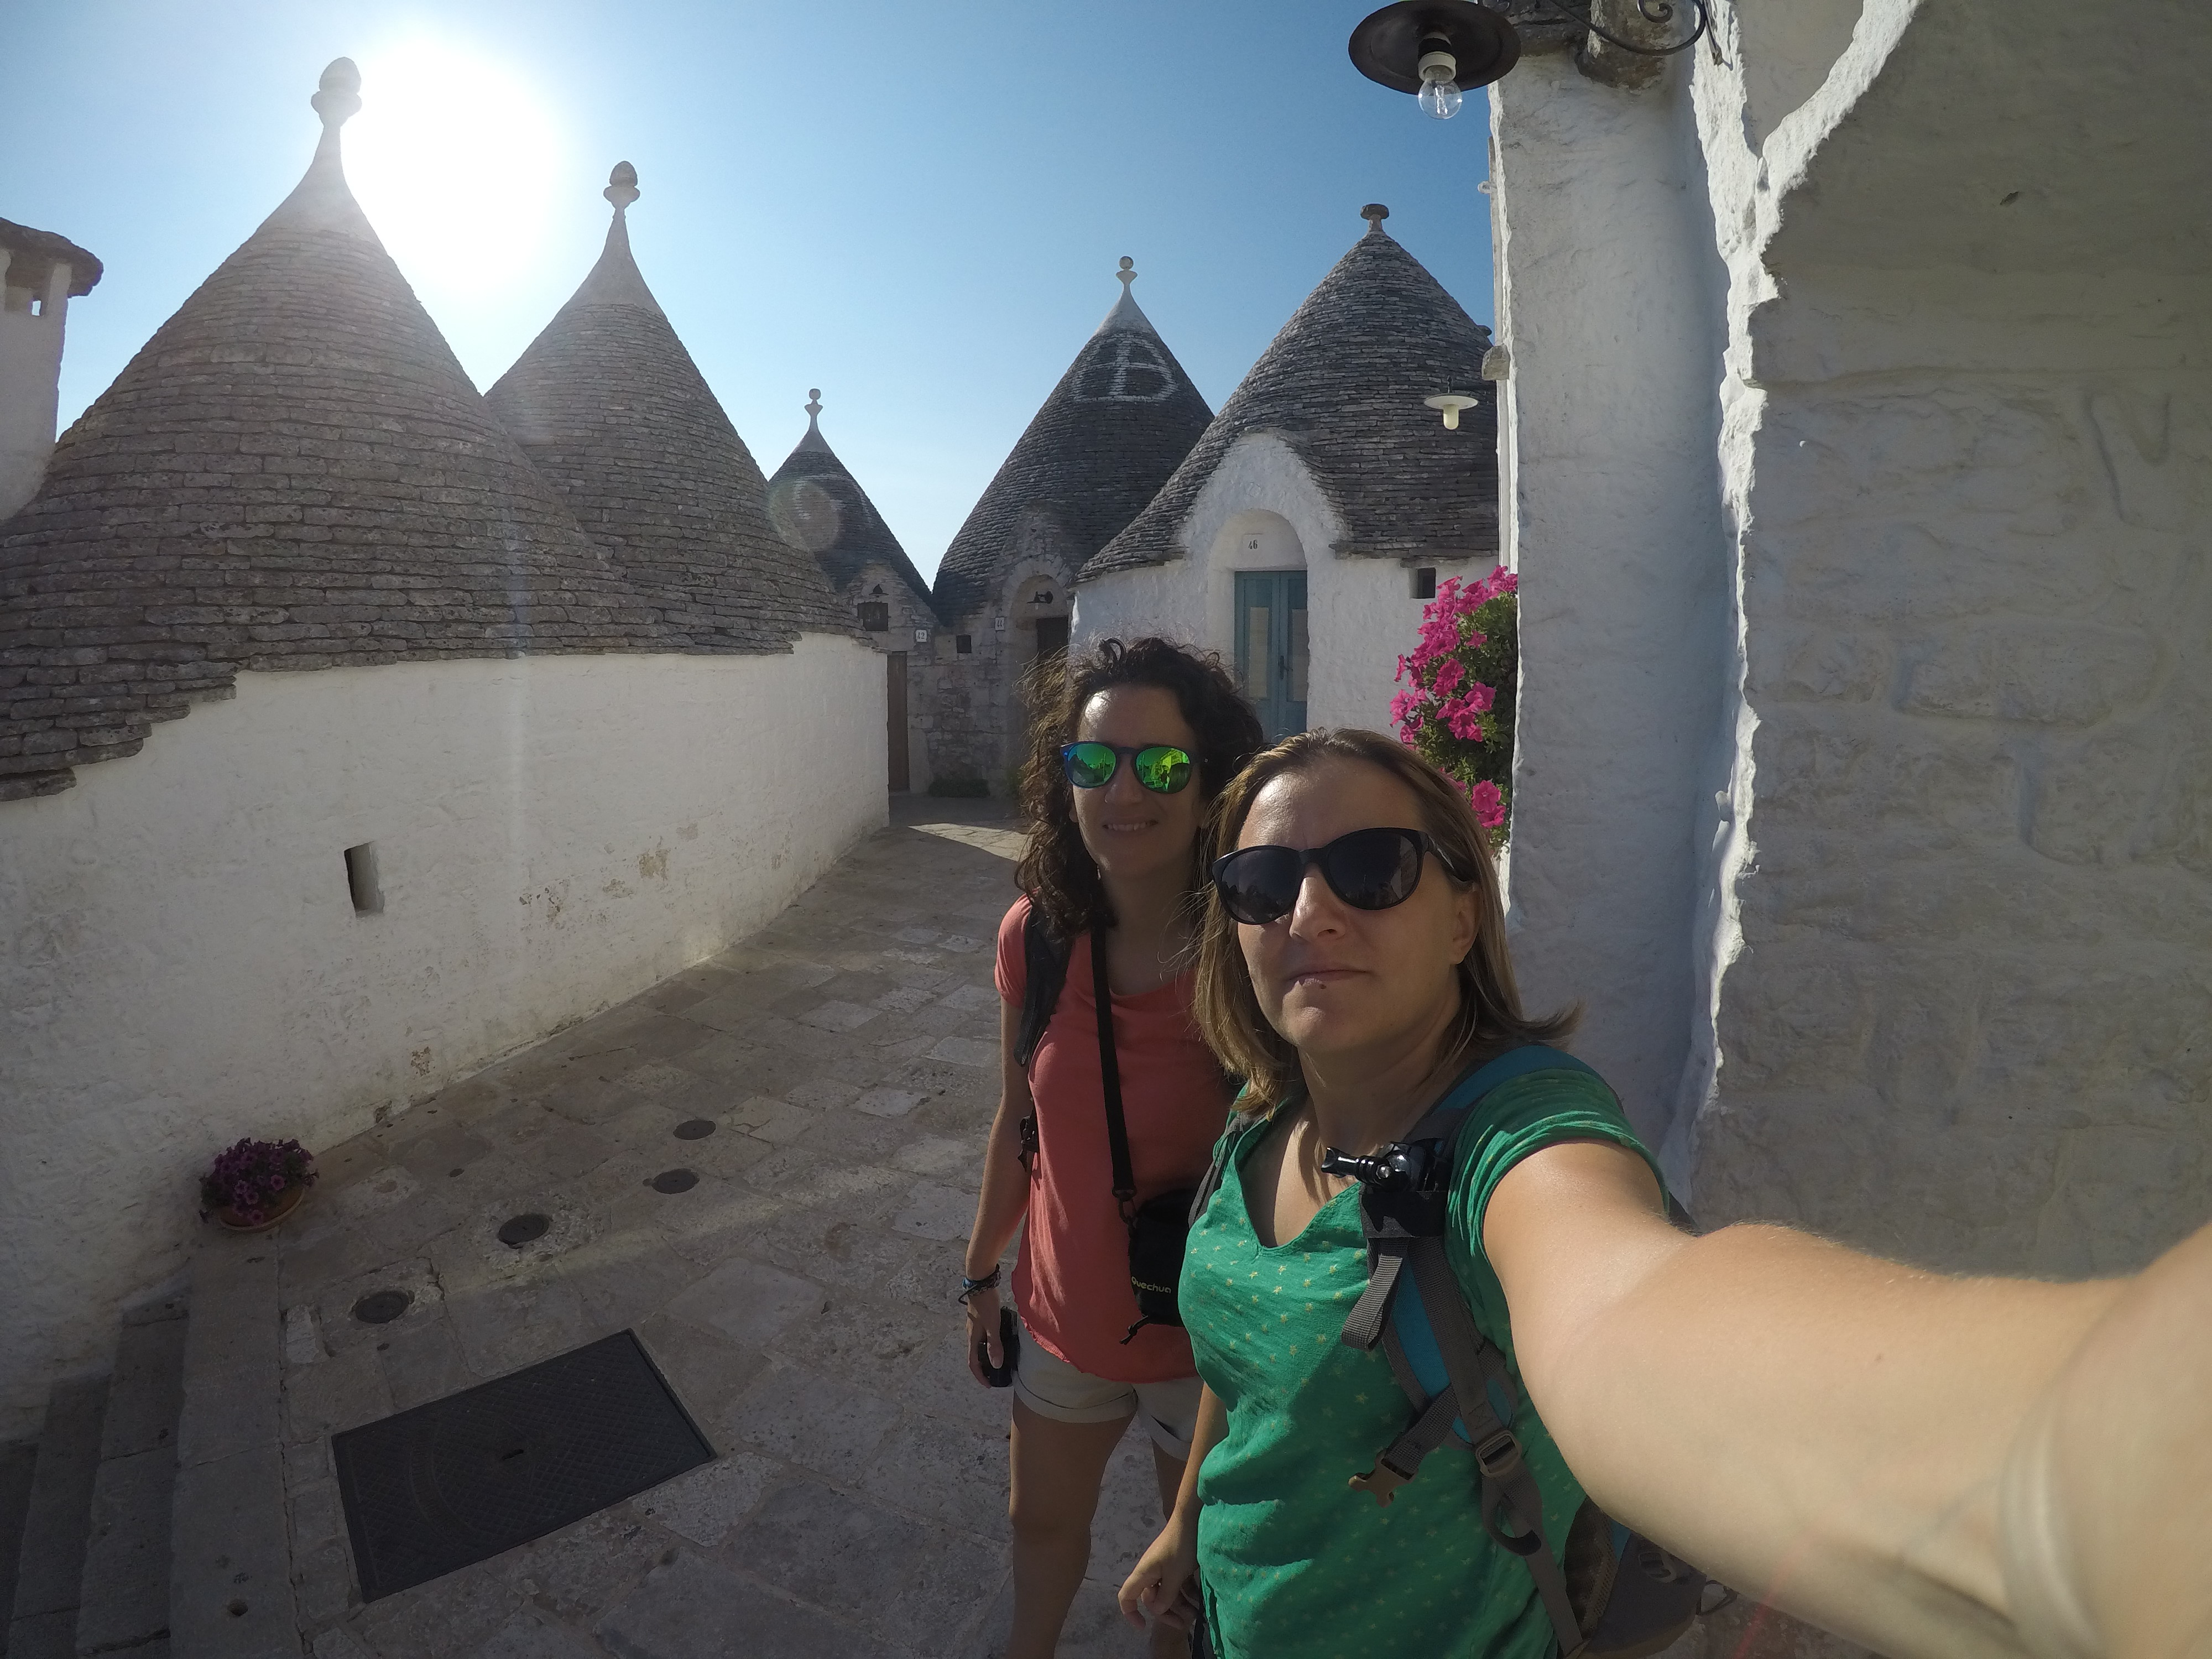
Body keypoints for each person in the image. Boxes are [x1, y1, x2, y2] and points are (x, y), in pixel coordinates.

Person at [1119, 726, 2212, 1659]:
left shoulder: (1514, 1138)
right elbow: (1248, 1356)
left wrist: (2087, 1471)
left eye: (1371, 869)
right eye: (1263, 884)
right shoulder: (1265, 1114)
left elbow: (1624, 1308)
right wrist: (1185, 1521)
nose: (1310, 910)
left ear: (1460, 917)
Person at [962, 637, 1265, 1659]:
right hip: (1065, 1320)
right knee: (1040, 1523)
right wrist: (980, 1274)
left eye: (1163, 765)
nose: (1123, 791)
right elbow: (1020, 1120)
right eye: (1093, 762)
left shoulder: (1254, 955)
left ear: (1211, 783)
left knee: (1187, 1579)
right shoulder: (1036, 937)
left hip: (1207, 1350)